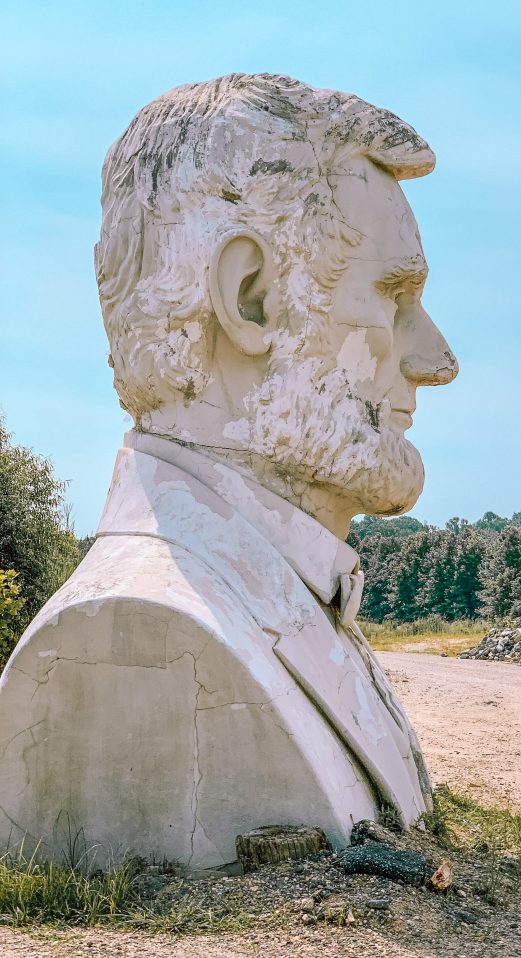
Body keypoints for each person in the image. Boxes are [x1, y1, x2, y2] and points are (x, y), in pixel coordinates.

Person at [0, 74, 458, 868]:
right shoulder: (133, 630)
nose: (437, 361)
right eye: (394, 298)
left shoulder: (275, 594)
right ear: (249, 300)